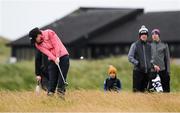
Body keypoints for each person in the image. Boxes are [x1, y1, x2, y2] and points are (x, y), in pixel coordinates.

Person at [29, 27, 70, 96]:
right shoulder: (37, 45)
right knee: (52, 79)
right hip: (52, 59)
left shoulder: (49, 32)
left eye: (35, 39)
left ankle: (60, 96)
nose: (35, 42)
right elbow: (47, 52)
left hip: (63, 56)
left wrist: (57, 56)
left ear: (38, 35)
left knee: (61, 78)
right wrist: (54, 59)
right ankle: (50, 97)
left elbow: (56, 45)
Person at [128, 25, 152, 92]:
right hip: (138, 72)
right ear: (140, 35)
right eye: (142, 34)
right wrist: (137, 63)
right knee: (136, 92)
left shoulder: (149, 46)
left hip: (147, 72)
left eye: (145, 34)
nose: (144, 35)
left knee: (144, 92)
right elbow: (130, 57)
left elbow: (152, 58)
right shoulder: (135, 45)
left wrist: (151, 65)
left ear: (147, 35)